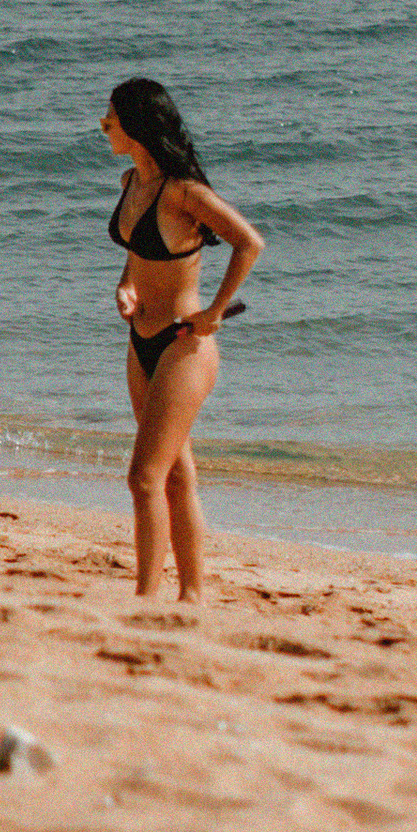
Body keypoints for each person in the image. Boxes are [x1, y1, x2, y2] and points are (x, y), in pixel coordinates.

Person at [101, 76, 263, 603]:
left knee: (143, 478)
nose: (105, 124)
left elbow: (249, 242)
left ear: (139, 125)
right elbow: (138, 256)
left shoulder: (185, 192)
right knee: (174, 475)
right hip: (140, 340)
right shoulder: (132, 182)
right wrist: (126, 286)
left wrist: (215, 311)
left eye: (114, 116)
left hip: (184, 344)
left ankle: (146, 601)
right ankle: (191, 596)